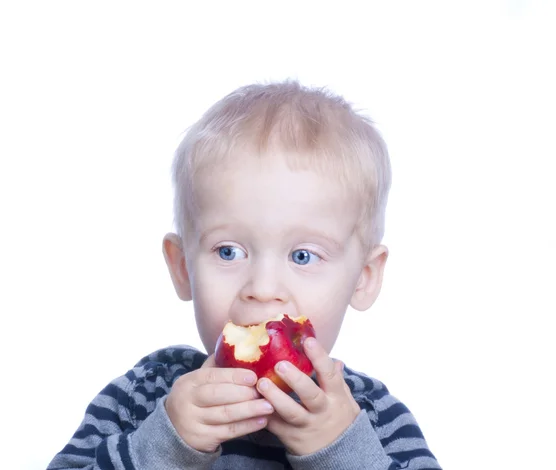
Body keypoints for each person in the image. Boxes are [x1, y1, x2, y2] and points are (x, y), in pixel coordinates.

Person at [48, 81, 441, 469]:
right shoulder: (145, 397)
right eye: (229, 251)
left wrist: (342, 454)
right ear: (183, 267)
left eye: (303, 256)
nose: (263, 289)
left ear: (364, 277)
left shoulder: (372, 419)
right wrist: (165, 447)